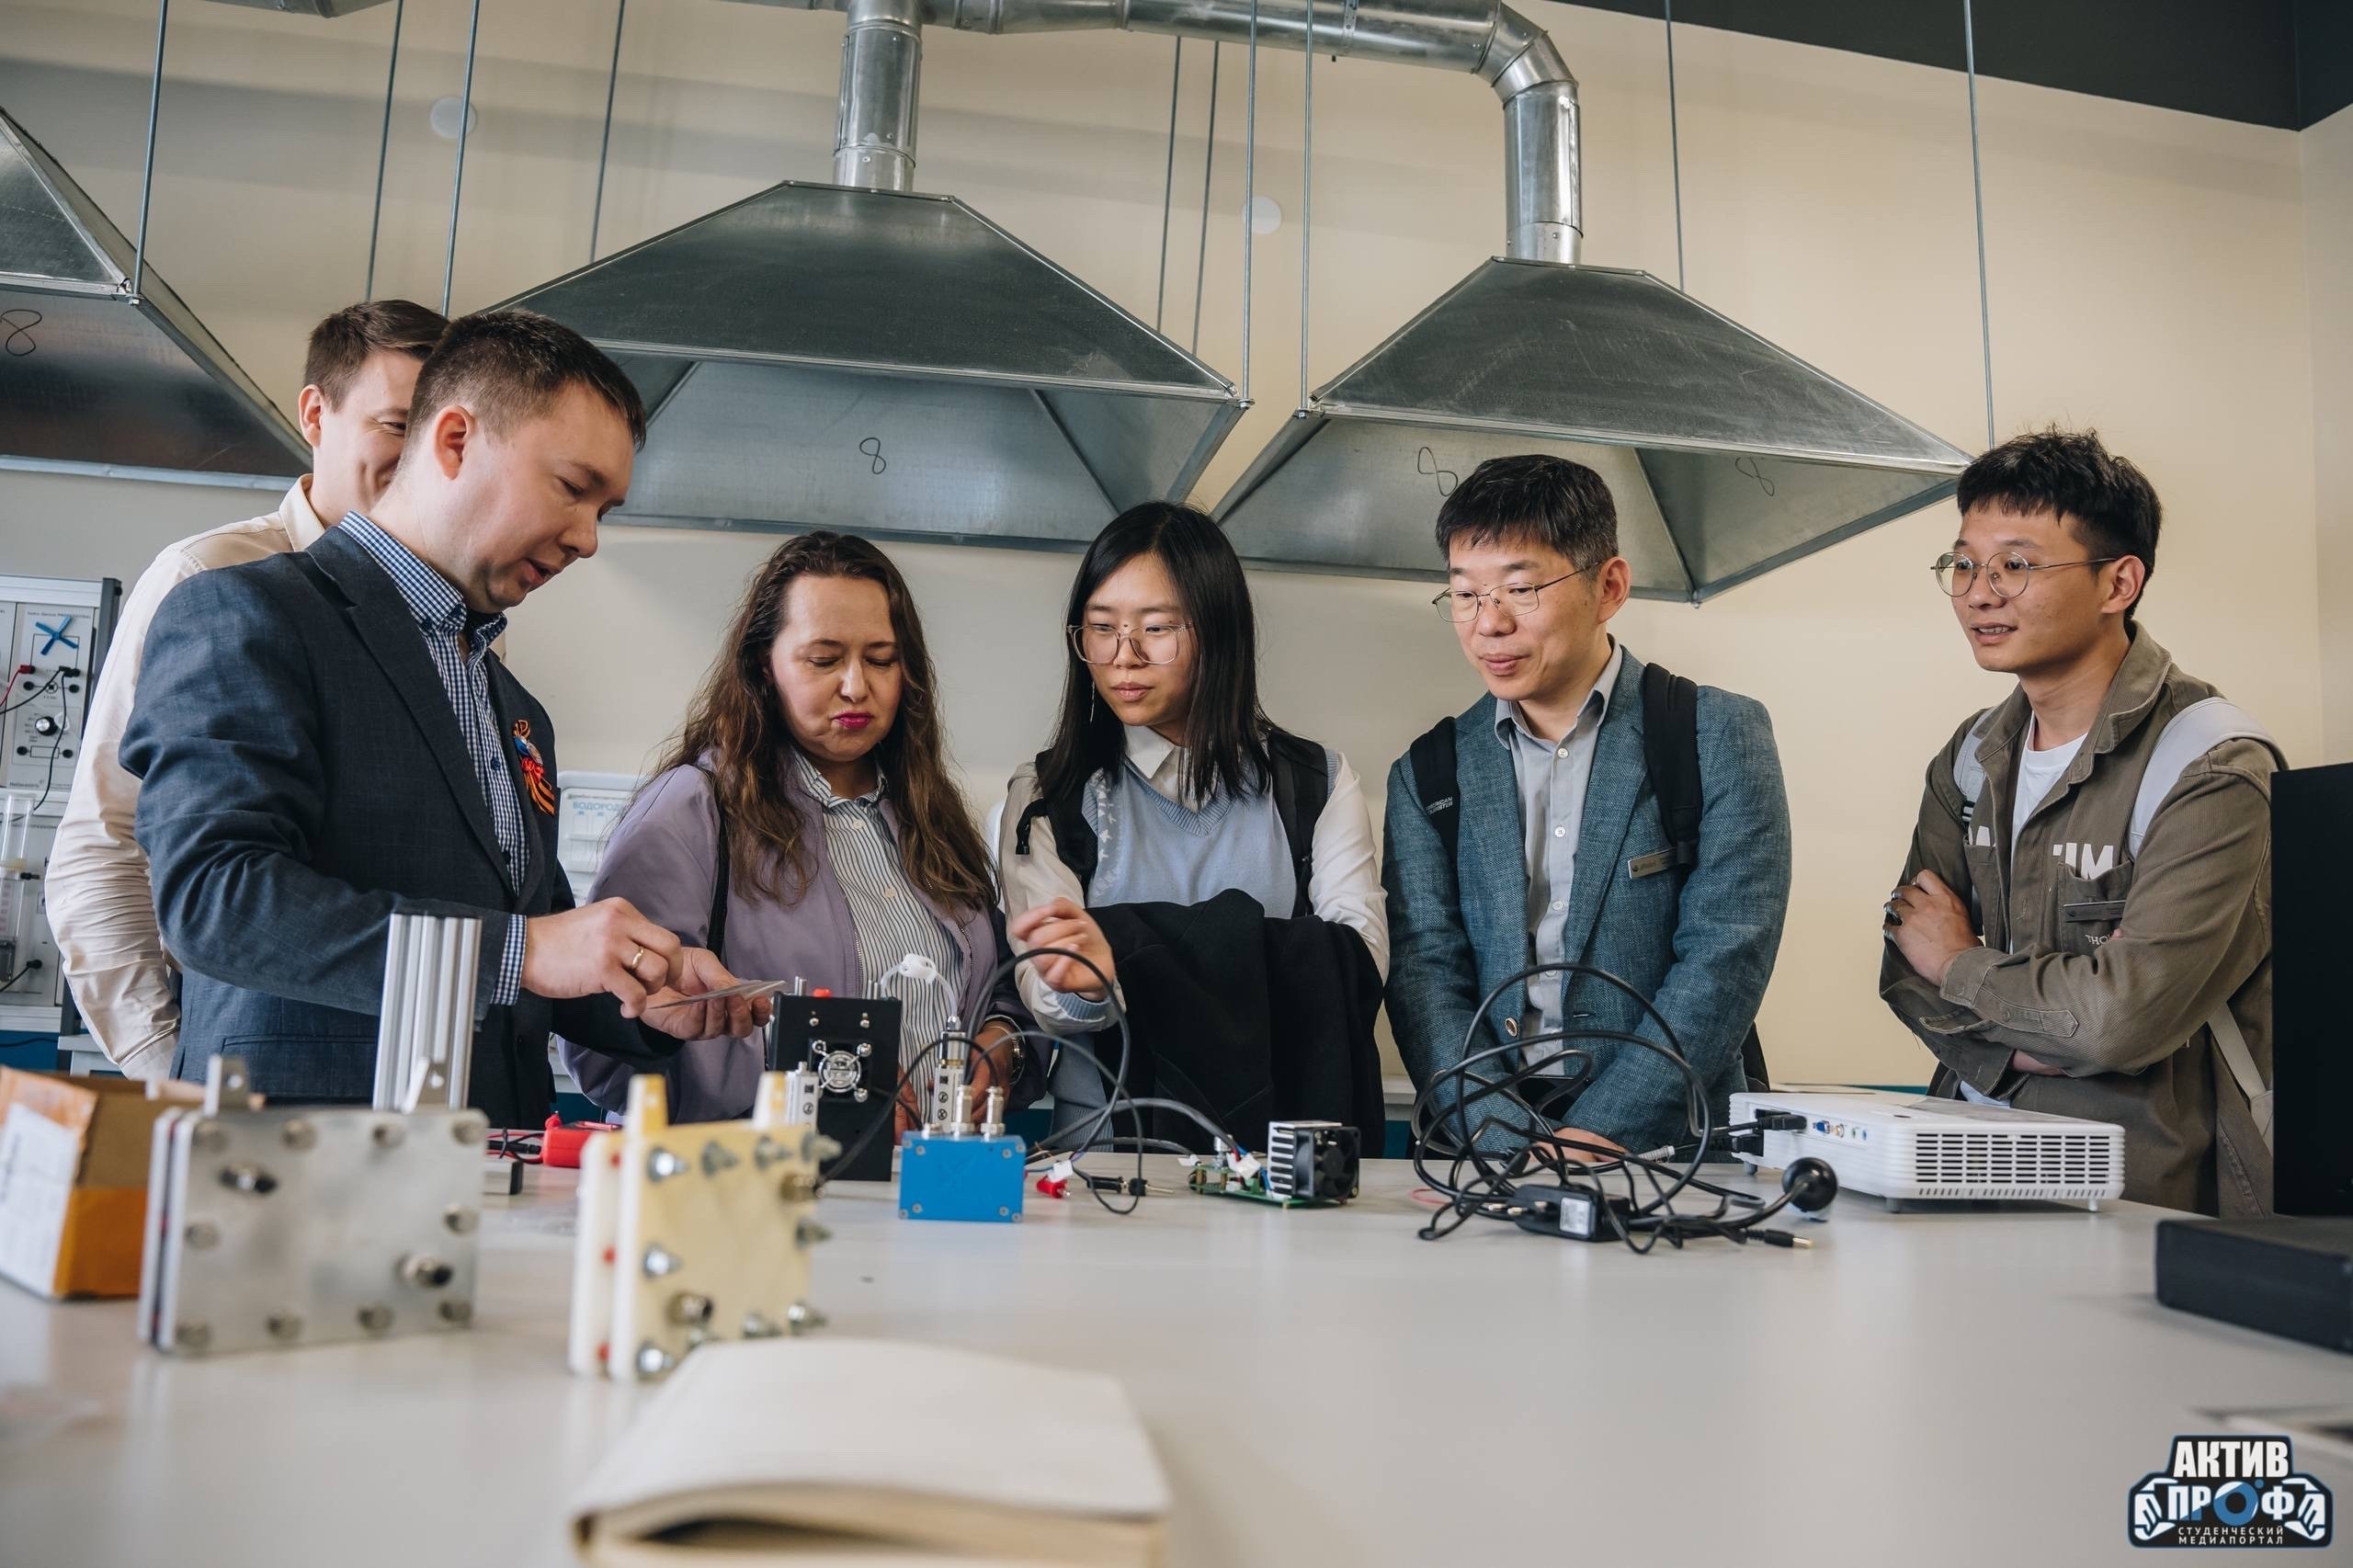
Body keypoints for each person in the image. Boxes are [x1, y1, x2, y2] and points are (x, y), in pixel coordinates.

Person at [120, 310, 760, 1124]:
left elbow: (533, 952)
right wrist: (523, 951)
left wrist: (638, 994)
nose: (589, 540)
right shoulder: (248, 616)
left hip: (492, 1168)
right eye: (572, 488)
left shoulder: (515, 708)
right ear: (455, 440)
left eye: (608, 509)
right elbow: (218, 899)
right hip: (302, 1166)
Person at [48, 299, 449, 1080]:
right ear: (315, 414)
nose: (420, 461)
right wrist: (171, 1068)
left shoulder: (445, 615)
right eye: (396, 425)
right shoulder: (212, 576)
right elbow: (103, 848)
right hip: (240, 1072)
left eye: (440, 436)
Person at [1881, 428, 2277, 1216]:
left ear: (2118, 582)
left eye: (2016, 565)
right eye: (1963, 564)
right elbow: (1901, 970)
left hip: (2148, 1199)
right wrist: (2027, 1043)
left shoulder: (2213, 767)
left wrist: (1960, 964)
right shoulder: (1971, 756)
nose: (1980, 592)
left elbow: (2118, 1022)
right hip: (1969, 1164)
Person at [1383, 454, 1791, 1159]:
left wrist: (1595, 1136)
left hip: (1676, 1152)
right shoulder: (1427, 772)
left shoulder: (1714, 735)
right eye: (1465, 594)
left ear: (1609, 587)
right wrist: (1504, 1142)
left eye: (1521, 588)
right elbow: (1426, 973)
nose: (1490, 624)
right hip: (1488, 1150)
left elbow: (1727, 956)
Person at [561, 531, 1037, 1128]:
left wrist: (1001, 1042)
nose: (856, 686)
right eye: (824, 659)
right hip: (752, 1193)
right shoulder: (694, 810)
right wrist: (831, 1084)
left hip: (923, 1185)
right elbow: (603, 1046)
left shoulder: (930, 817)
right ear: (765, 664)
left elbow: (997, 986)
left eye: (882, 659)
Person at [998, 502, 1389, 1149]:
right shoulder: (1048, 796)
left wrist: (1128, 952)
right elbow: (1051, 990)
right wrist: (1089, 986)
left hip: (1275, 1166)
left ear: (1217, 630)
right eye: (1099, 628)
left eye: (1156, 628)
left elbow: (1359, 960)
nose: (1123, 656)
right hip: (1104, 1162)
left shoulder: (1314, 782)